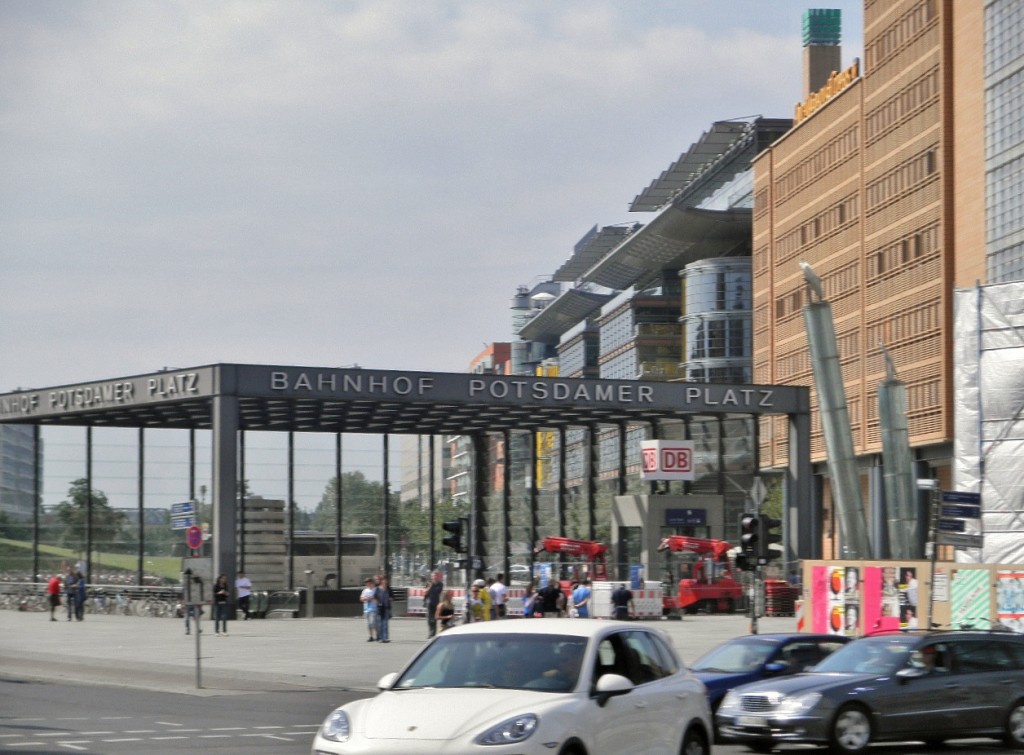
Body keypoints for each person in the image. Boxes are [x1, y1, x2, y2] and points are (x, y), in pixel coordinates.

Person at [424, 570, 444, 638]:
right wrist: (430, 586)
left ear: (438, 576)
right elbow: (425, 592)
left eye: (436, 575)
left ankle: (433, 633)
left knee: (434, 619)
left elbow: (437, 591)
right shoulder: (428, 583)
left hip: (436, 603)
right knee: (429, 619)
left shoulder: (440, 584)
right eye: (433, 575)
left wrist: (432, 586)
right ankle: (430, 632)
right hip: (429, 603)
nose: (435, 577)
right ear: (431, 576)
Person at [376, 576, 393, 643]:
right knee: (380, 623)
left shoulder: (389, 589)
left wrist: (390, 599)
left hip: (386, 608)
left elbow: (392, 597)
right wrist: (378, 602)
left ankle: (385, 637)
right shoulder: (378, 589)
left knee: (385, 623)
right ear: (381, 581)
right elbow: (375, 597)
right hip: (380, 608)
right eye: (383, 580)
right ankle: (380, 638)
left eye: (386, 580)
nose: (384, 581)